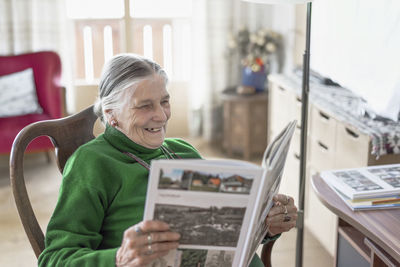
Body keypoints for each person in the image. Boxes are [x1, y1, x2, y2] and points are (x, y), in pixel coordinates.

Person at [38, 54, 297, 267]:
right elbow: (54, 260)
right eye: (145, 106)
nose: (161, 116)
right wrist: (119, 259)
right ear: (111, 114)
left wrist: (266, 224)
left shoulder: (182, 150)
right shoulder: (92, 163)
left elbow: (225, 233)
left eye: (164, 102)